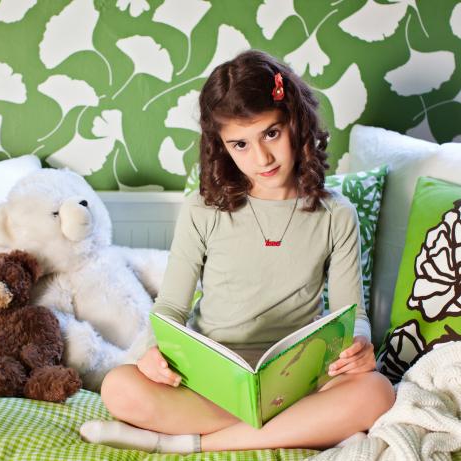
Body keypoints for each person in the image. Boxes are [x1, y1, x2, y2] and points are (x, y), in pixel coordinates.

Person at [79, 49, 395, 453]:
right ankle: (289, 426)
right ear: (222, 147)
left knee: (377, 393)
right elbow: (170, 309)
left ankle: (186, 444)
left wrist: (359, 346)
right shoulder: (203, 209)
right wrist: (151, 355)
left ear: (296, 123)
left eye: (272, 134)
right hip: (214, 379)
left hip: (299, 379)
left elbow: (352, 315)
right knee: (119, 387)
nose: (261, 157)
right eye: (240, 144)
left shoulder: (336, 213)